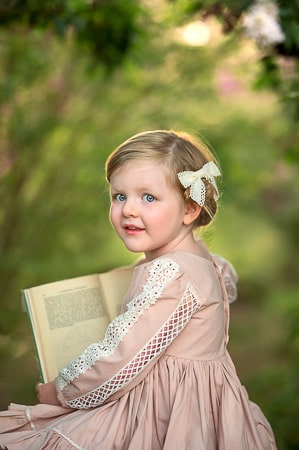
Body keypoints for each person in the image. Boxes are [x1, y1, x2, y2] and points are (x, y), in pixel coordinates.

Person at [0, 130, 277, 449]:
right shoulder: (203, 260)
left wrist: (62, 390)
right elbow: (221, 290)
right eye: (119, 196)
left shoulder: (171, 273)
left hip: (167, 414)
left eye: (148, 197)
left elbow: (120, 360)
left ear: (189, 209)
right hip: (202, 403)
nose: (129, 210)